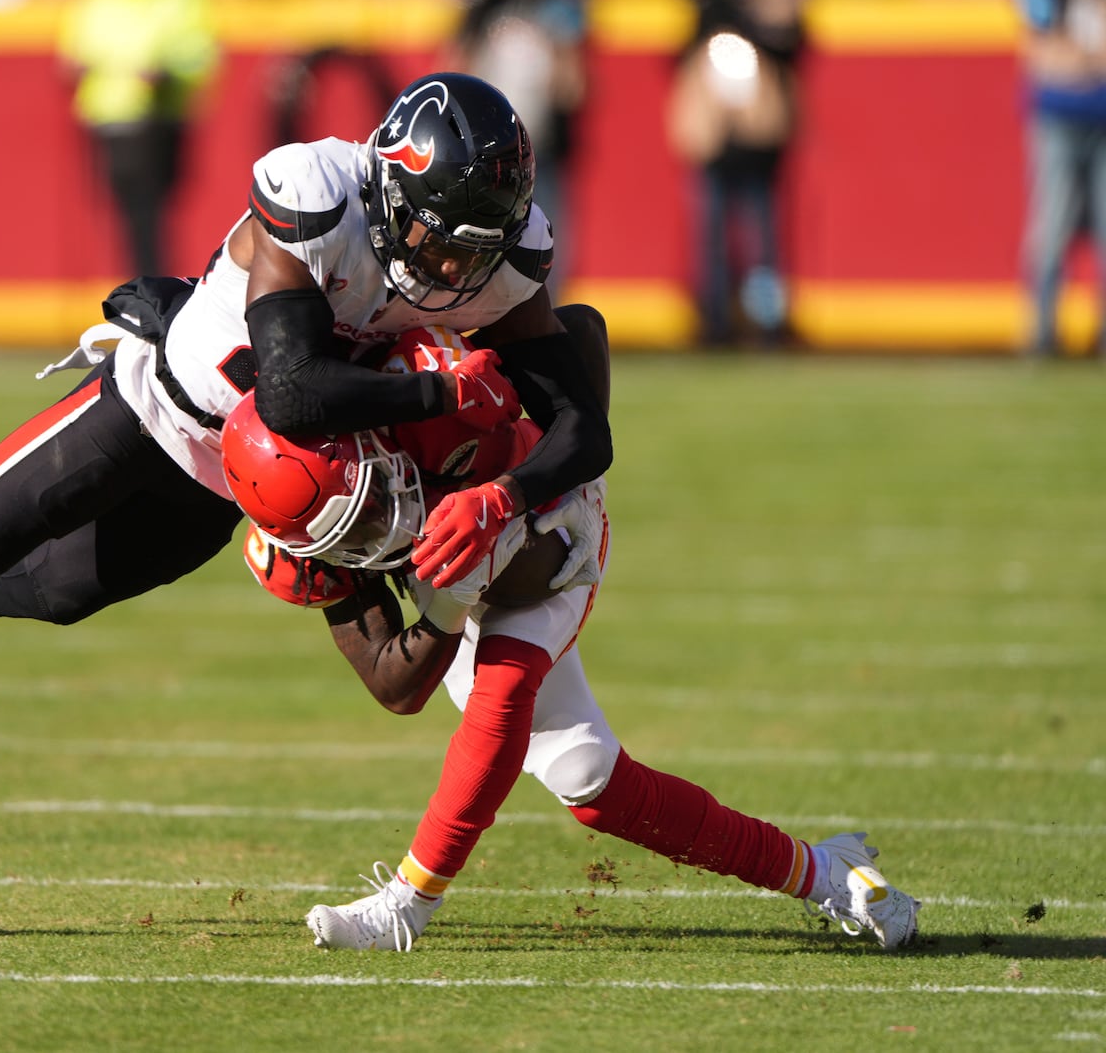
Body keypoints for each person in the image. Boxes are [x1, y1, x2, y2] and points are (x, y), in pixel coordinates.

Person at [0, 72, 614, 821]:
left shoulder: (494, 255)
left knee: (55, 593)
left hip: (245, 479)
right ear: (394, 187)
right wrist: (443, 385)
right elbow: (298, 392)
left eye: (472, 248)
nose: (452, 266)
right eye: (441, 236)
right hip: (148, 410)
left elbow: (584, 419)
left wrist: (510, 492)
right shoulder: (320, 190)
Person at [218, 323, 921, 953]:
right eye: (352, 533)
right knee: (590, 780)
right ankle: (828, 870)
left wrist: (519, 490)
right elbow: (394, 684)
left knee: (504, 684)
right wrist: (444, 607)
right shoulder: (306, 531)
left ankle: (407, 902)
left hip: (543, 524)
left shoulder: (423, 390)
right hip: (462, 581)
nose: (379, 529)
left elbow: (582, 331)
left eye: (371, 504)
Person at [666, 0, 804, 347]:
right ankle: (716, 318)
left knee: (762, 238)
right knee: (714, 231)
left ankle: (766, 321)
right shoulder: (709, 5)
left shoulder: (768, 9)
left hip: (756, 141)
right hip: (716, 136)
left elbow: (791, 43)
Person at [57, 0, 219, 277]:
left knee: (146, 216)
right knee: (136, 216)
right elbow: (73, 56)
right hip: (112, 120)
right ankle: (145, 294)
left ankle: (149, 294)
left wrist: (167, 74)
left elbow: (199, 56)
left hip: (157, 119)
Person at [448, 0, 588, 297]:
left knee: (545, 231)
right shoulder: (484, 4)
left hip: (539, 145)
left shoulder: (556, 6)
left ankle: (542, 304)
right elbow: (457, 67)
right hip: (489, 150)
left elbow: (573, 86)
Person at [1017, 0, 1106, 357]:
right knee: (1051, 228)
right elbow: (1042, 57)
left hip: (1100, 120)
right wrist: (1087, 61)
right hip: (1058, 121)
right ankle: (1042, 332)